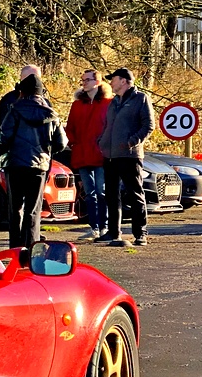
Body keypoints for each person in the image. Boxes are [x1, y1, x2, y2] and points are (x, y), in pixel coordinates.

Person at [0, 72, 67, 248]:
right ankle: (31, 248)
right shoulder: (52, 115)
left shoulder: (14, 110)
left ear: (23, 91)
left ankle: (15, 248)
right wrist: (47, 152)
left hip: (15, 165)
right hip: (39, 166)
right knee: (33, 210)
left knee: (15, 209)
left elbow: (4, 138)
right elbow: (61, 142)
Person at [96, 67, 155, 247]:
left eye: (113, 79)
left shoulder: (141, 99)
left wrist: (131, 142)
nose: (110, 83)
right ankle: (114, 233)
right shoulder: (113, 102)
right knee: (112, 195)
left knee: (135, 193)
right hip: (110, 155)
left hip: (129, 155)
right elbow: (107, 125)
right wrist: (102, 142)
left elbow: (148, 125)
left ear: (123, 81)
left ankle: (140, 233)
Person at [65, 68, 111, 239]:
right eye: (83, 80)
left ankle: (104, 226)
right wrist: (73, 142)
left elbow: (110, 127)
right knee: (89, 193)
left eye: (87, 80)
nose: (84, 83)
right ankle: (94, 228)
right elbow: (70, 127)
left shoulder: (108, 103)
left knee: (101, 191)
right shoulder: (77, 105)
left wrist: (104, 145)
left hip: (100, 155)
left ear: (97, 82)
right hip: (82, 153)